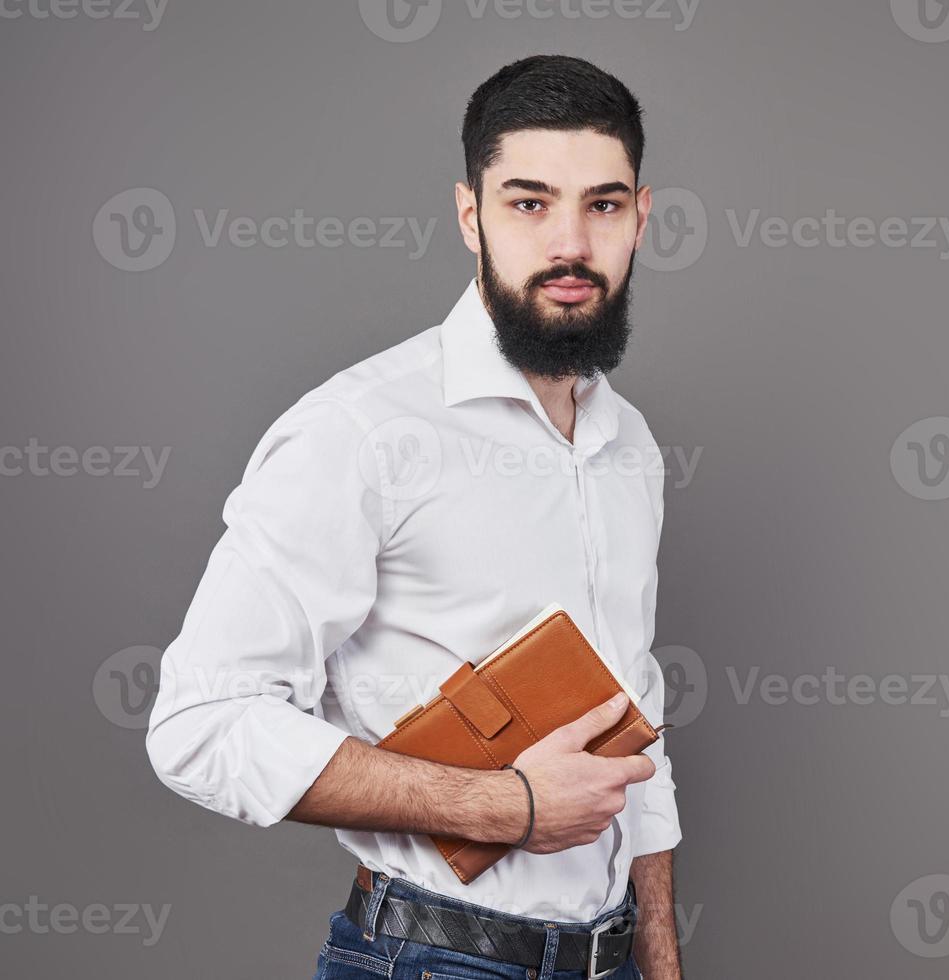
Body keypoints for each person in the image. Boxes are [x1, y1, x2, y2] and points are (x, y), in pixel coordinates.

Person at [146, 54, 684, 979]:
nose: (570, 244)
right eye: (528, 202)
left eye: (601, 205)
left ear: (641, 217)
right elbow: (201, 723)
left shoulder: (628, 444)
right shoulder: (360, 430)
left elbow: (633, 716)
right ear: (471, 215)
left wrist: (661, 954)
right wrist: (504, 808)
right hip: (429, 960)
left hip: (611, 959)